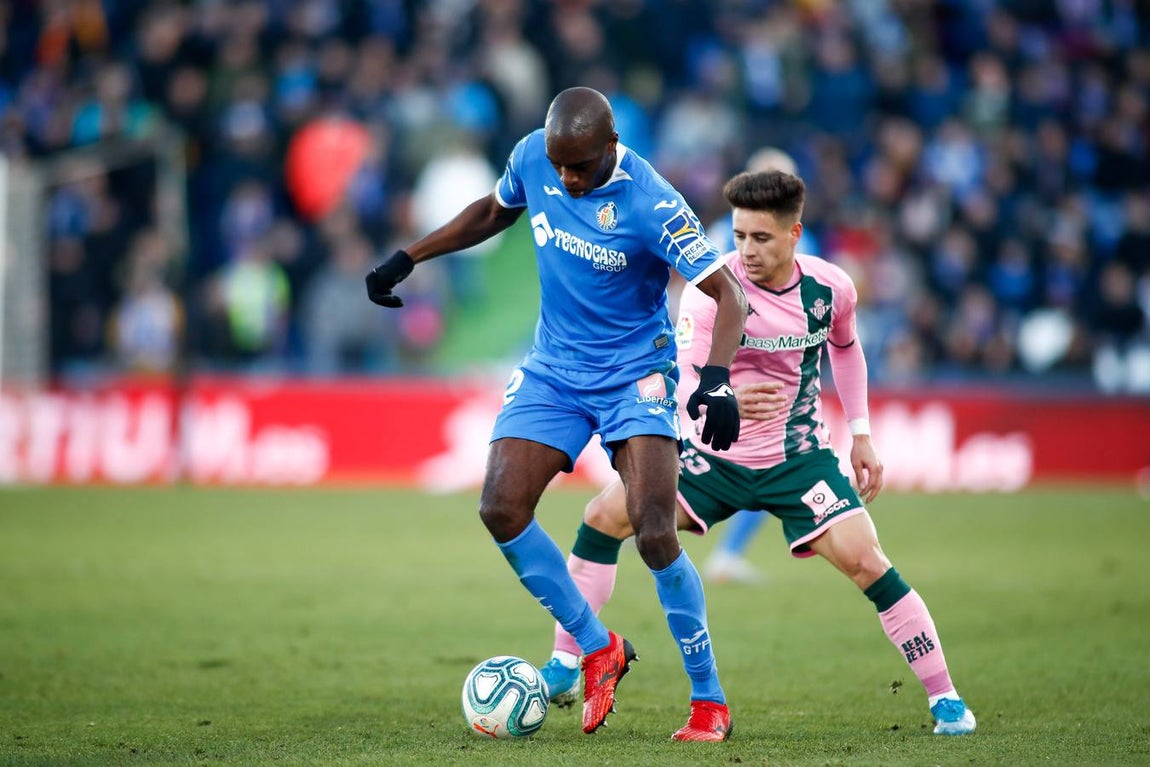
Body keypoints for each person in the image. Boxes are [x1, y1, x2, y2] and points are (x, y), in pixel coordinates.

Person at [365, 87, 749, 739]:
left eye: (580, 166)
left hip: (635, 374)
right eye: (558, 164)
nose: (566, 177)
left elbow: (729, 294)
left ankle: (708, 698)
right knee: (500, 506)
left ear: (610, 148)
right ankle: (598, 645)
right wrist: (410, 256)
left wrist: (715, 380)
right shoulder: (532, 157)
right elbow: (494, 211)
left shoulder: (652, 200)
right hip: (555, 368)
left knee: (655, 530)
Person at [543, 169, 977, 737]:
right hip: (710, 459)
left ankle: (946, 698)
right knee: (602, 516)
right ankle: (565, 660)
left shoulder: (831, 289)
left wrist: (863, 433)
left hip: (798, 460)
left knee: (869, 561)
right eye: (740, 235)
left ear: (795, 233)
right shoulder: (711, 292)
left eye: (761, 238)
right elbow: (683, 382)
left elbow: (846, 352)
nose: (745, 250)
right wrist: (720, 398)